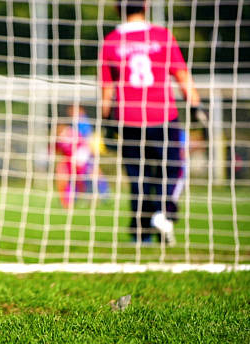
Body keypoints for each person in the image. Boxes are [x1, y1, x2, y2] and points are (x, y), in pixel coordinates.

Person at [100, 0, 206, 245]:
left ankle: (141, 233)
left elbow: (107, 90)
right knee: (174, 168)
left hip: (128, 118)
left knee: (139, 176)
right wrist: (196, 105)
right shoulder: (162, 36)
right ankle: (163, 211)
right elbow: (182, 74)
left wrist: (106, 122)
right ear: (145, 6)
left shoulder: (111, 42)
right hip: (162, 116)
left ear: (118, 9)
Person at [54, 105, 109, 208]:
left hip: (83, 155)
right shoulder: (70, 128)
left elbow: (87, 140)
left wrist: (83, 155)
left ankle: (103, 195)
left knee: (93, 174)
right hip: (76, 158)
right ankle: (69, 199)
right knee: (73, 176)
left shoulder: (82, 123)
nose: (70, 112)